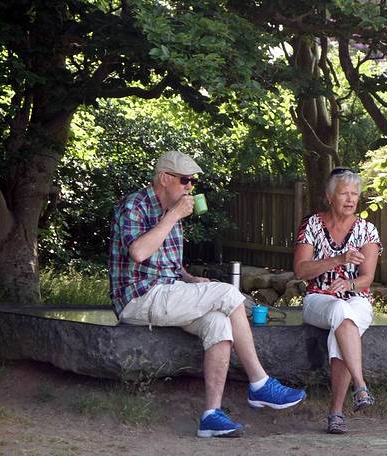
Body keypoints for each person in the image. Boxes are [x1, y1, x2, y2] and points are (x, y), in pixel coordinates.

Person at [109, 150, 306, 438]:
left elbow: (169, 264)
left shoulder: (171, 211)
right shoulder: (134, 206)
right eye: (185, 180)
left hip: (168, 291)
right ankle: (260, 382)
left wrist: (190, 279)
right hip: (138, 298)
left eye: (192, 181)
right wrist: (173, 216)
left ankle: (211, 415)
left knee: (219, 323)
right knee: (227, 293)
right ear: (164, 178)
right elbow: (139, 252)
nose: (190, 187)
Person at [293, 167, 382, 434]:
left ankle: (336, 414)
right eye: (344, 193)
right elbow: (300, 271)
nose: (350, 199)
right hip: (318, 299)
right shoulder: (311, 224)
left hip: (357, 299)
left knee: (344, 320)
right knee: (340, 310)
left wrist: (349, 284)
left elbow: (367, 278)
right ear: (329, 196)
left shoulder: (367, 230)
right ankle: (360, 385)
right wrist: (338, 260)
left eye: (354, 194)